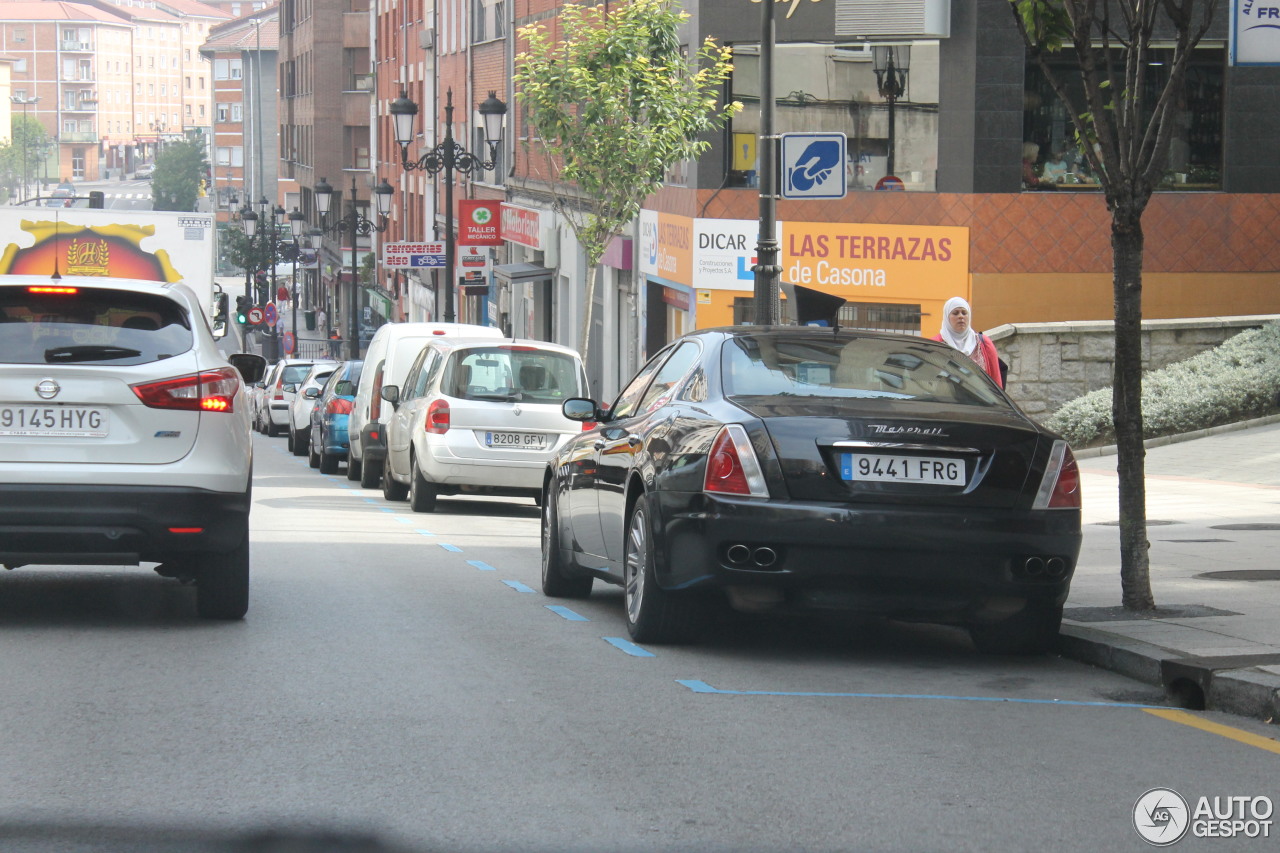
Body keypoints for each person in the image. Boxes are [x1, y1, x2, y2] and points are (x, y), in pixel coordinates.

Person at [932, 296, 1004, 388]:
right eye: (955, 313)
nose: (961, 316)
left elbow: (996, 379)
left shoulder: (983, 343)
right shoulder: (936, 344)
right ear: (947, 317)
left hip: (980, 400)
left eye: (964, 313)